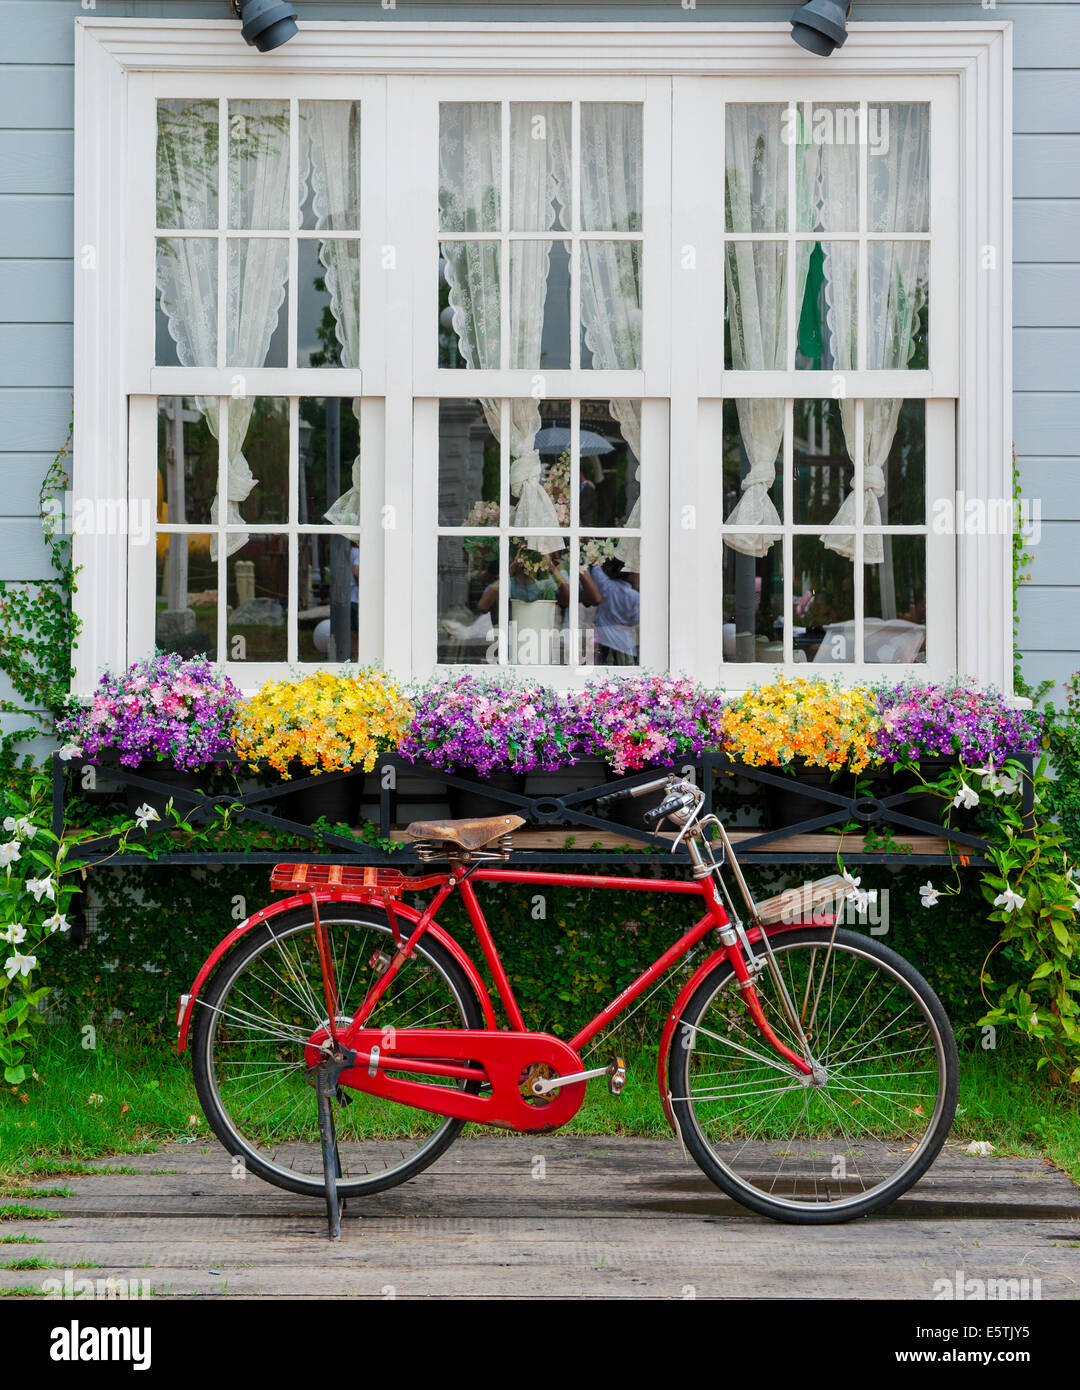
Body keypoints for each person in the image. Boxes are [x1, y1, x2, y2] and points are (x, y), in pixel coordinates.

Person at [588, 558, 639, 664]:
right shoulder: (634, 596)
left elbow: (595, 567)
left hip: (604, 641)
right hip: (625, 644)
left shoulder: (606, 585)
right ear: (629, 575)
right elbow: (636, 621)